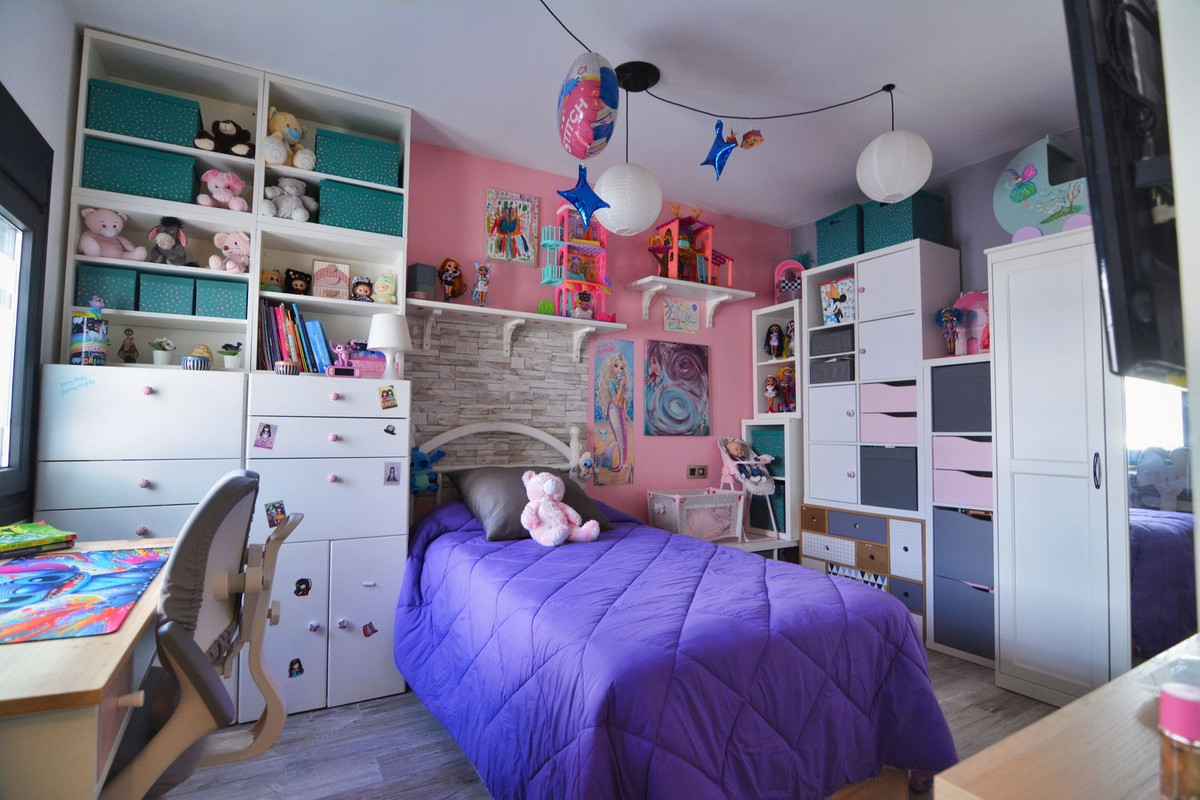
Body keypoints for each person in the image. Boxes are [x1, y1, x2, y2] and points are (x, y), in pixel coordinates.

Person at [596, 352, 630, 474]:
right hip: (614, 409)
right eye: (616, 366)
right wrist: (621, 386)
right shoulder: (611, 381)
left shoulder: (618, 380)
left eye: (621, 368)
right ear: (610, 366)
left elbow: (623, 399)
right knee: (619, 437)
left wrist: (625, 412)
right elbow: (615, 400)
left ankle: (622, 463)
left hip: (620, 409)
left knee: (624, 437)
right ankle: (617, 463)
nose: (619, 370)